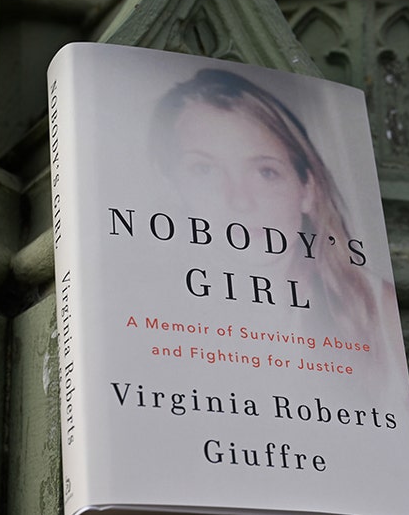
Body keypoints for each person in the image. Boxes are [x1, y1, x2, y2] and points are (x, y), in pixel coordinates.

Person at [150, 68, 382, 339]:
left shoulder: (377, 311)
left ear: (307, 190)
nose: (240, 201)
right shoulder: (148, 317)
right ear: (174, 189)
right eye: (204, 170)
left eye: (266, 172)